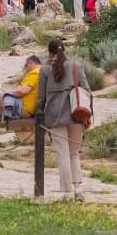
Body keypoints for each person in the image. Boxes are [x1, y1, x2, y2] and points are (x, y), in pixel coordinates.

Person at [42, 39, 91, 200]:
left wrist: (38, 115)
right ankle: (78, 189)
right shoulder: (76, 66)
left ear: (49, 52)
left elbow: (40, 98)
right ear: (65, 49)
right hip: (75, 115)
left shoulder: (45, 70)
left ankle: (65, 192)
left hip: (55, 117)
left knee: (62, 154)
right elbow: (87, 91)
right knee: (74, 153)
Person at [0, 55, 42, 141]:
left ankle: (1, 105)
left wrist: (7, 92)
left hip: (23, 109)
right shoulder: (40, 72)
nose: (26, 69)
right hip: (25, 107)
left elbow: (22, 91)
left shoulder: (35, 73)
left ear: (30, 63)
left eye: (26, 66)